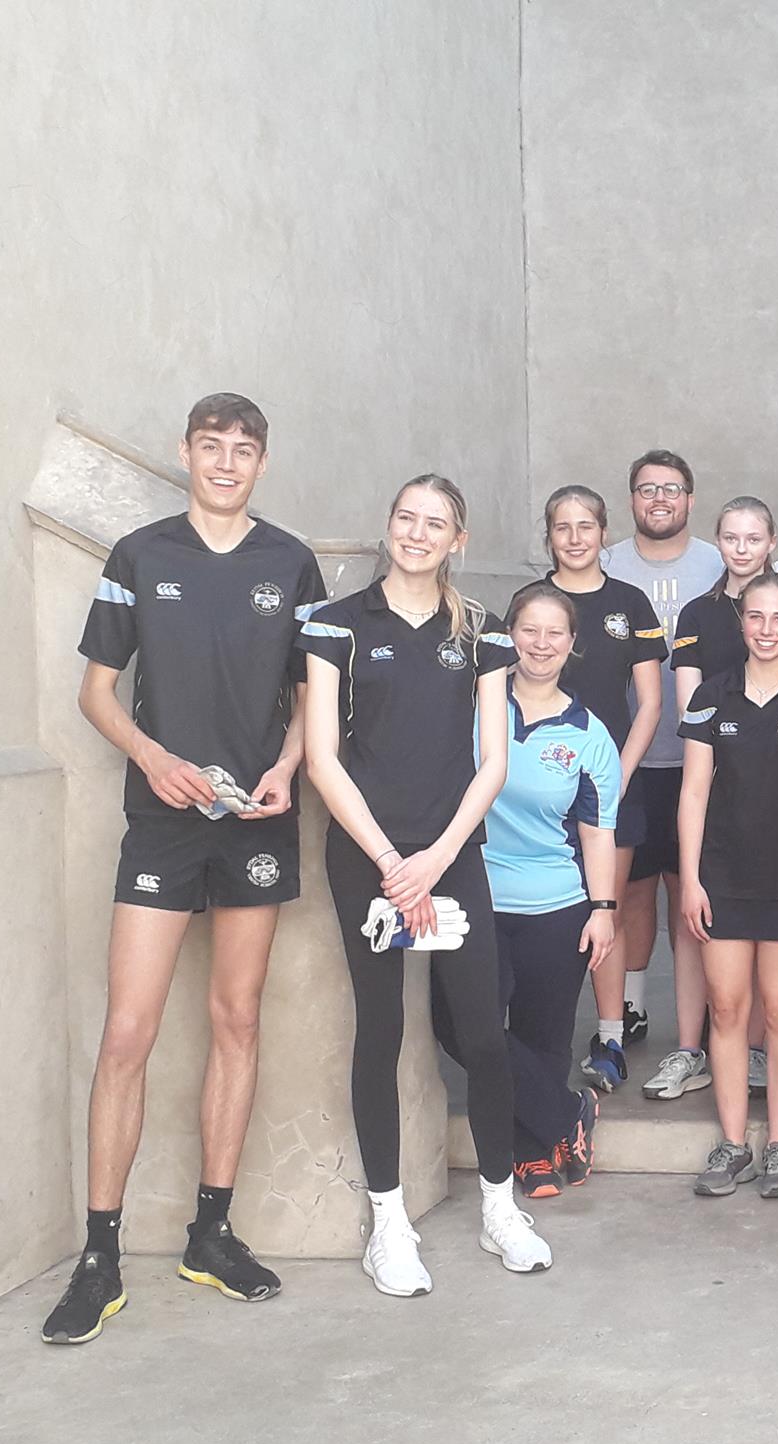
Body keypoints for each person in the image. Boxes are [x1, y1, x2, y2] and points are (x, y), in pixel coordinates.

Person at [43, 393, 322, 1345]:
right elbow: (94, 691)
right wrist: (155, 760)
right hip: (161, 825)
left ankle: (212, 1233)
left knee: (237, 1019)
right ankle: (100, 1253)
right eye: (213, 447)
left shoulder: (291, 563)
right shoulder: (139, 555)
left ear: (262, 462)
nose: (227, 462)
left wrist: (286, 773)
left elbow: (311, 701)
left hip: (252, 824)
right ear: (186, 454)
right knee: (128, 1033)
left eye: (245, 449)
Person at [301, 474, 552, 1295]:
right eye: (405, 517)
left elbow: (494, 760)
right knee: (379, 1032)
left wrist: (438, 857)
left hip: (452, 857)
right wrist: (387, 861)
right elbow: (321, 758)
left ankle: (498, 1207)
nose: (416, 532)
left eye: (434, 522)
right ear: (389, 527)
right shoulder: (336, 625)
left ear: (458, 541)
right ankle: (389, 1223)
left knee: (482, 1035)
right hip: (367, 857)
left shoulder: (481, 634)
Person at [646, 496, 778, 1101]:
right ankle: (693, 1050)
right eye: (730, 537)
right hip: (713, 795)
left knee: (774, 964)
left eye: (753, 536)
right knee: (700, 929)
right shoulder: (698, 615)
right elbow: (693, 716)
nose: (741, 547)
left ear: (771, 541)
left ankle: (762, 1052)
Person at [475, 582, 621, 1198]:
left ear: (572, 644)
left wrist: (604, 909)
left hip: (555, 907)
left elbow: (597, 833)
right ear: (510, 634)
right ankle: (567, 1114)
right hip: (474, 897)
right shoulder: (479, 706)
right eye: (528, 629)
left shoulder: (589, 735)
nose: (540, 643)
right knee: (462, 1026)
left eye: (554, 632)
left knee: (542, 1032)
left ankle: (533, 1152)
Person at [679, 573, 778, 1200]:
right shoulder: (712, 694)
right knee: (729, 1008)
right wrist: (690, 879)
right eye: (756, 617)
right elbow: (693, 792)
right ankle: (734, 1144)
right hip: (723, 877)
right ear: (741, 622)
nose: (767, 630)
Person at [526, 485, 665, 1096]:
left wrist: (617, 774)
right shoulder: (532, 604)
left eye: (586, 525)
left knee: (603, 908)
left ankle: (610, 1037)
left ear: (604, 532)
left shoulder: (629, 602)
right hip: (537, 790)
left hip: (607, 787)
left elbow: (651, 702)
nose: (576, 537)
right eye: (563, 527)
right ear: (550, 536)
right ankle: (537, 1034)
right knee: (546, 915)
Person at [605, 454, 724, 1078]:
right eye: (647, 488)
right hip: (626, 756)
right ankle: (630, 1007)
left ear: (689, 497)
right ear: (631, 499)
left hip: (696, 758)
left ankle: (694, 1027)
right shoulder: (606, 564)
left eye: (670, 489)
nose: (659, 498)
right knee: (630, 891)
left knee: (690, 895)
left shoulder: (715, 563)